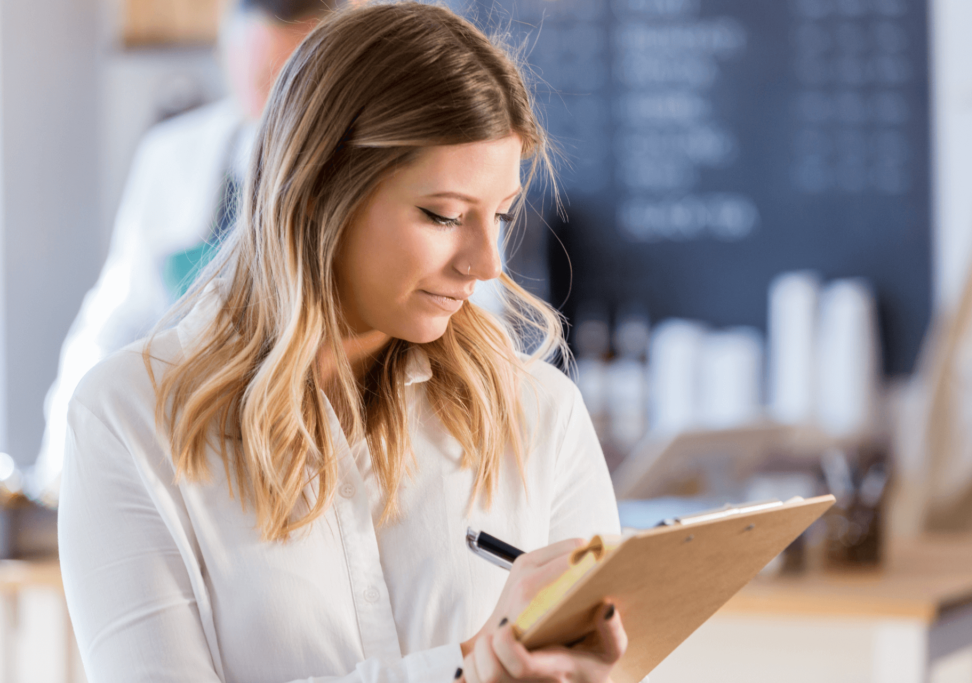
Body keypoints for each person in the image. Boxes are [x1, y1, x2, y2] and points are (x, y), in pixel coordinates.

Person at [58, 3, 628, 683]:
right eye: (443, 215)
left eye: (498, 215)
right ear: (321, 191)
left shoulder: (539, 412)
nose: (484, 264)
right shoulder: (131, 421)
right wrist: (467, 670)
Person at [30, 0, 337, 504]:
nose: (278, 99)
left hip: (302, 447)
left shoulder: (367, 164)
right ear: (228, 58)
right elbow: (121, 314)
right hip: (182, 446)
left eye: (296, 76)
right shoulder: (172, 155)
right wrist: (62, 460)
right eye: (262, 80)